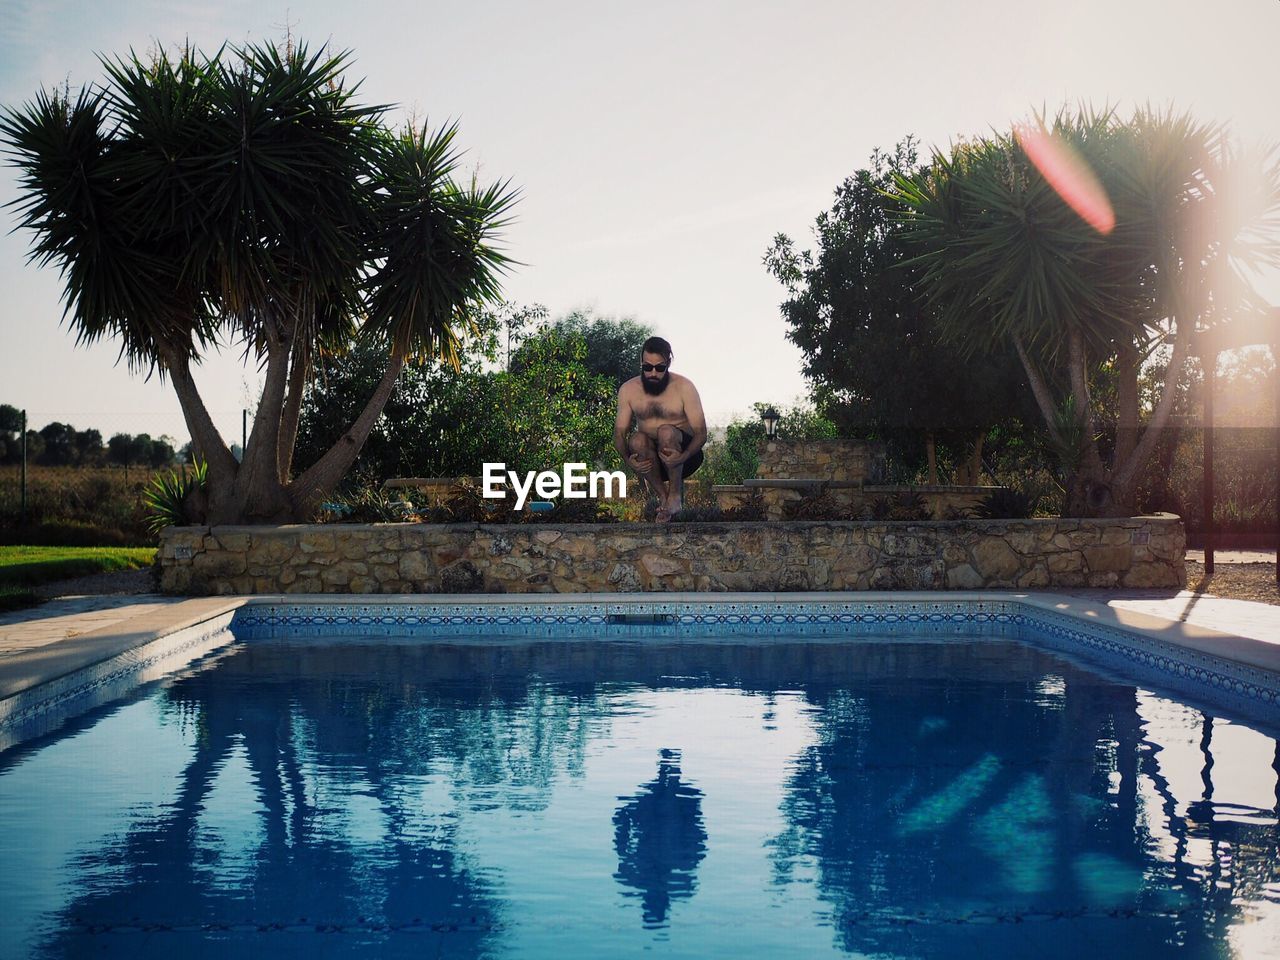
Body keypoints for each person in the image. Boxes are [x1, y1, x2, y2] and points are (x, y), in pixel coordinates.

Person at [614, 336, 707, 521]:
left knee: (666, 431)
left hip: (685, 457)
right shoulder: (629, 390)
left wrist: (684, 455)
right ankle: (664, 498)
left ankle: (675, 496)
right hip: (652, 461)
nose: (653, 373)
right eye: (647, 368)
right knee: (636, 440)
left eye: (660, 368)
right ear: (641, 363)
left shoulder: (684, 387)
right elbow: (619, 433)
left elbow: (702, 433)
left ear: (668, 363)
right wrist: (628, 460)